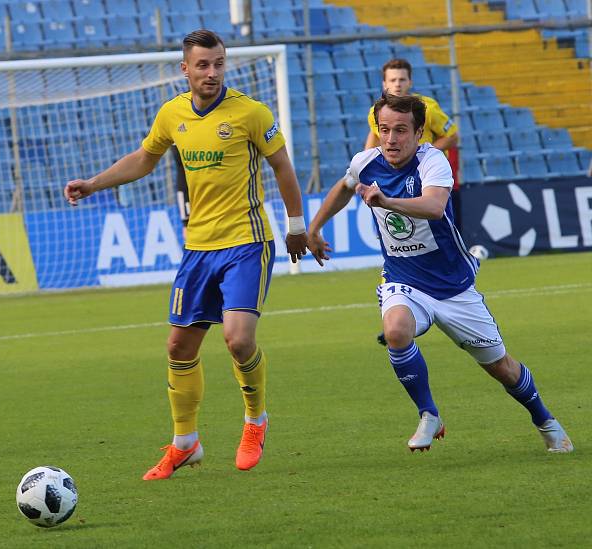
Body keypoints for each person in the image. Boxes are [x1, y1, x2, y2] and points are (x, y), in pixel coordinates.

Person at [65, 29, 309, 480]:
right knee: (178, 346)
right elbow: (144, 157)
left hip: (246, 243)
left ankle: (255, 420)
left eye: (218, 63)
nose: (211, 72)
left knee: (237, 339)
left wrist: (297, 227)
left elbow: (282, 166)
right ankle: (185, 442)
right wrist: (94, 183)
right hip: (198, 249)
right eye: (202, 65)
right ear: (186, 69)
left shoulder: (251, 113)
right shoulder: (171, 113)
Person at [307, 94, 573, 454]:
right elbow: (343, 187)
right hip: (404, 279)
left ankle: (545, 421)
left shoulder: (433, 162)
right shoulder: (365, 163)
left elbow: (433, 207)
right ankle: (429, 414)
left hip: (453, 288)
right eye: (384, 130)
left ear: (419, 133)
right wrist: (315, 228)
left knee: (502, 369)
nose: (390, 139)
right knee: (396, 330)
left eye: (401, 131)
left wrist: (385, 201)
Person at [365, 58, 460, 346]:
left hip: (426, 184)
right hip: (392, 187)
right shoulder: (375, 112)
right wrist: (364, 169)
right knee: (396, 250)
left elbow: (452, 135)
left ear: (410, 82)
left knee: (433, 247)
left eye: (402, 80)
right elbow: (372, 143)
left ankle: (429, 308)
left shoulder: (427, 107)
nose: (397, 84)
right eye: (392, 80)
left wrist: (427, 152)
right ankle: (399, 319)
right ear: (384, 84)